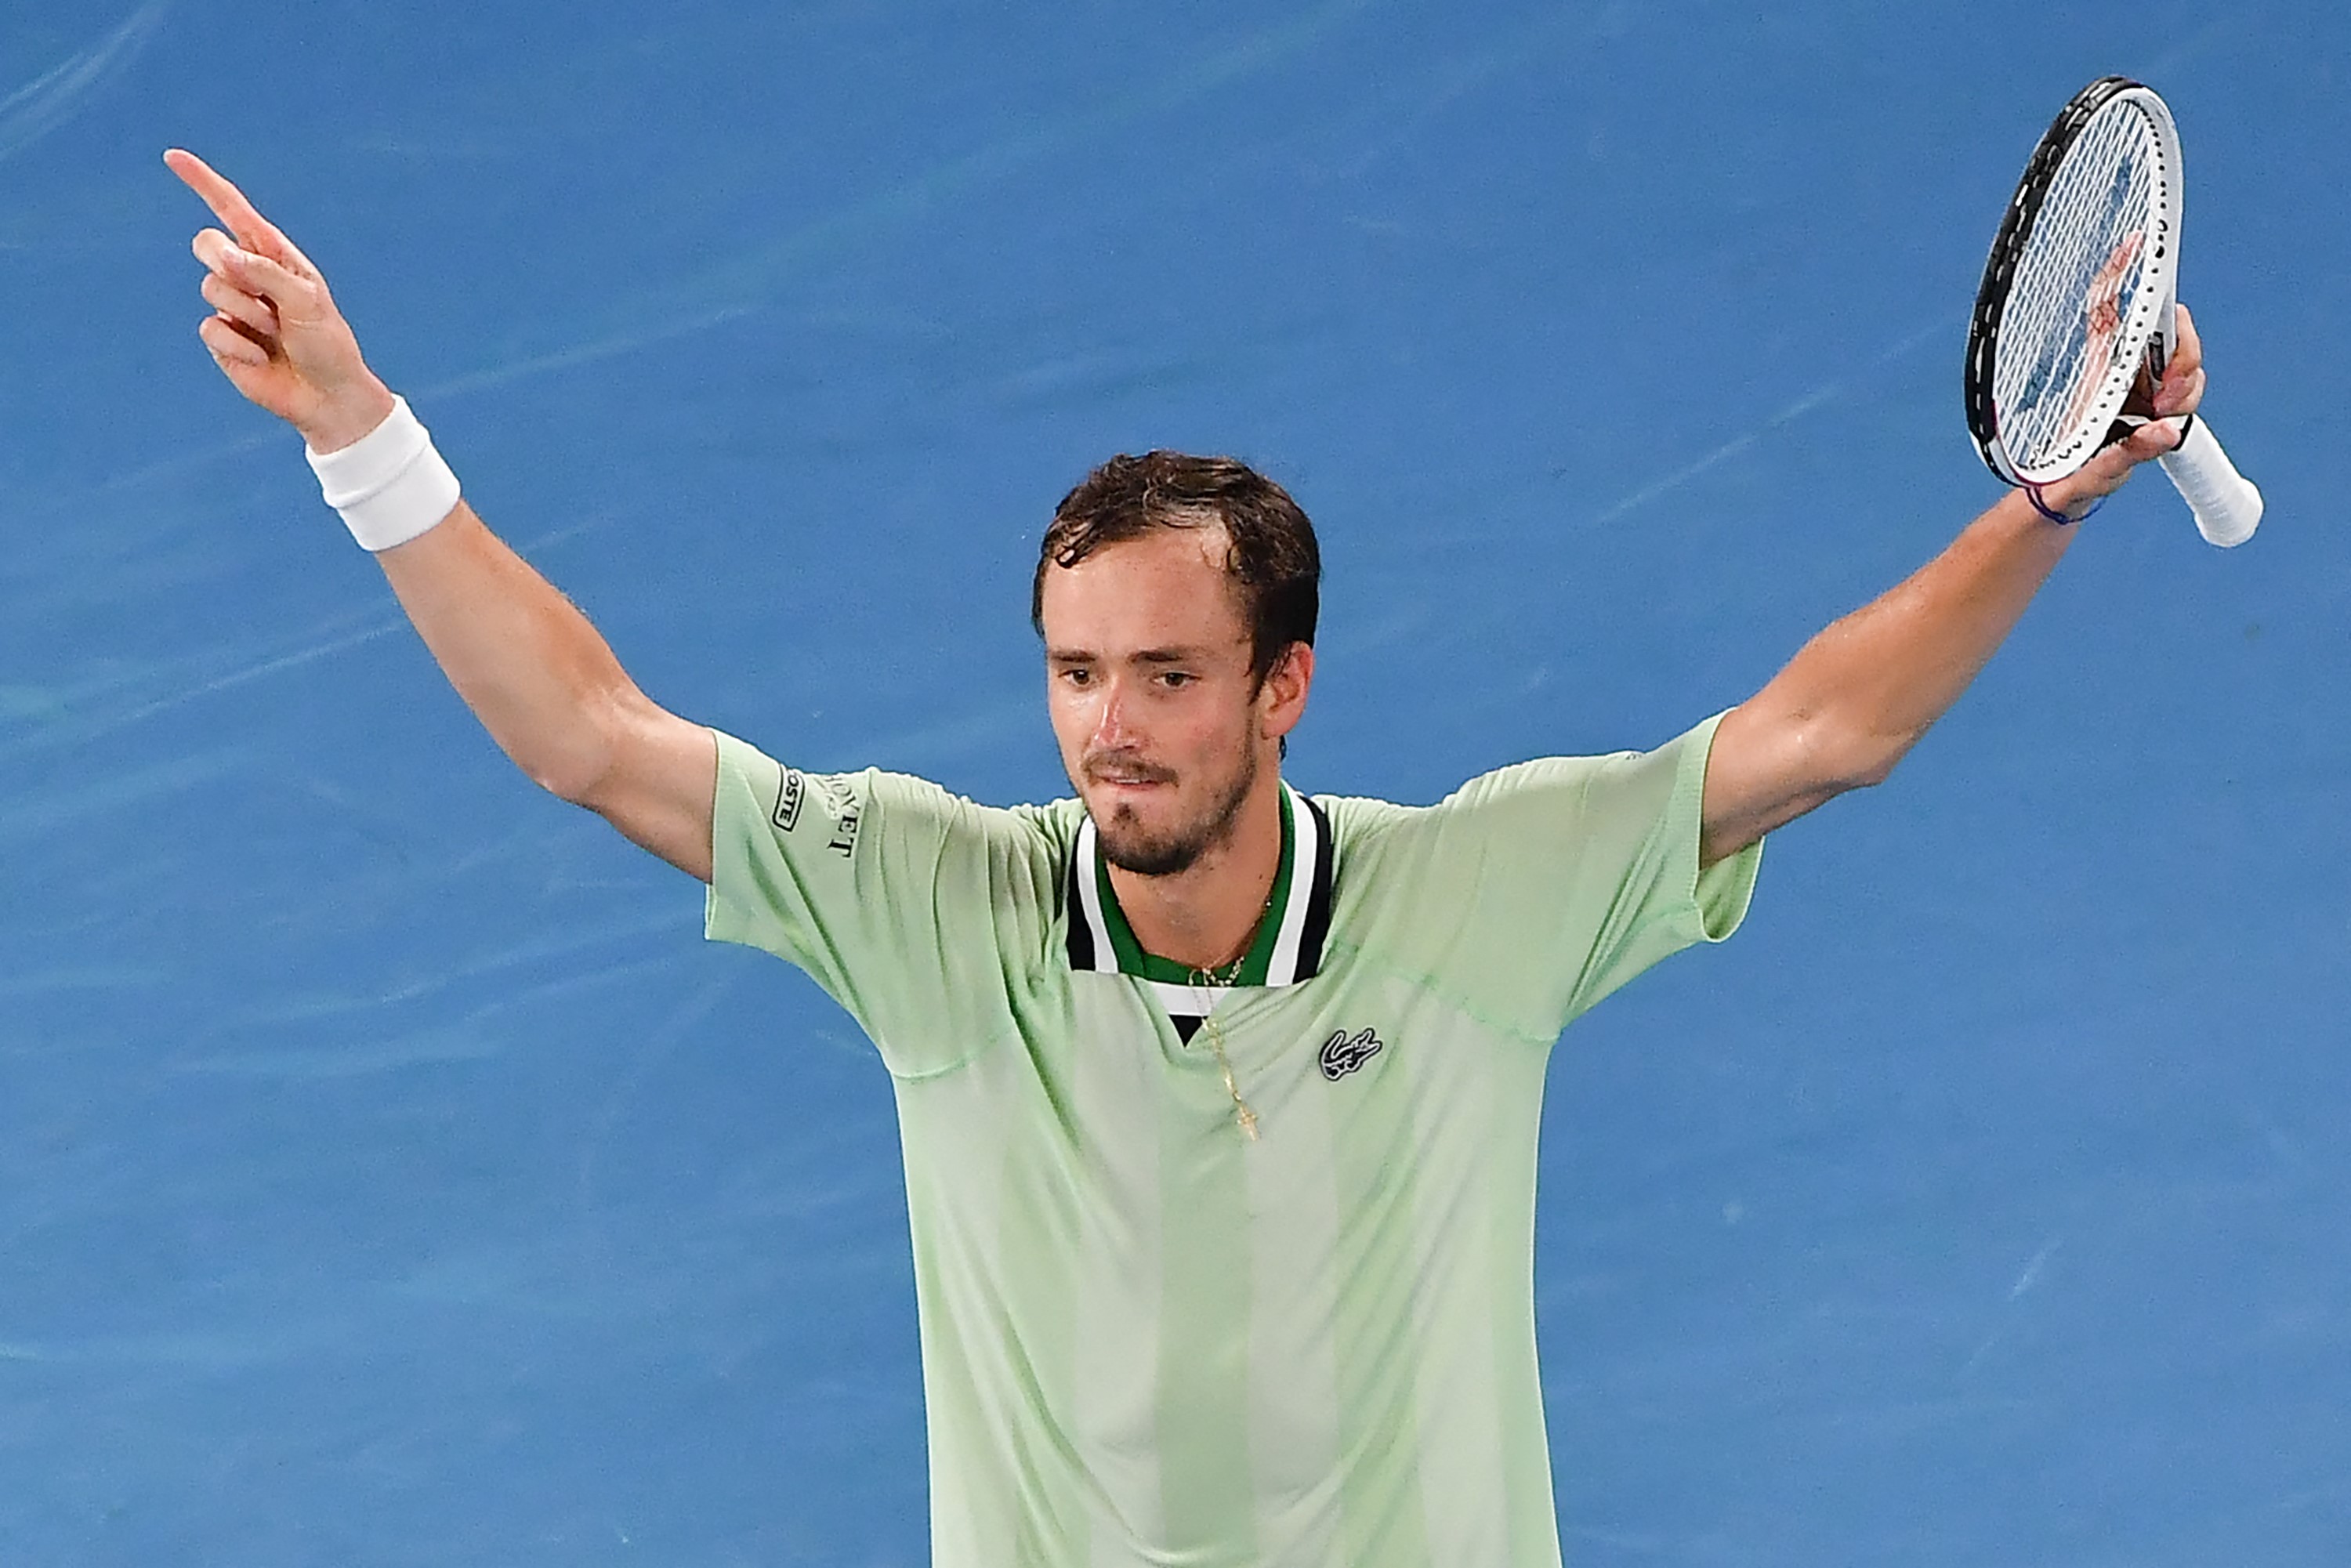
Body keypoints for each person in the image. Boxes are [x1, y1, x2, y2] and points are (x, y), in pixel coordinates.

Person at [165, 147, 2208, 1567]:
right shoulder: (930, 905)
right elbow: (584, 737)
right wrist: (362, 428)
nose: (1106, 728)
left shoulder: (1478, 898)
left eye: (1161, 674)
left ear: (1283, 684)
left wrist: (2052, 497)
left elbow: (1825, 731)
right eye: (1072, 674)